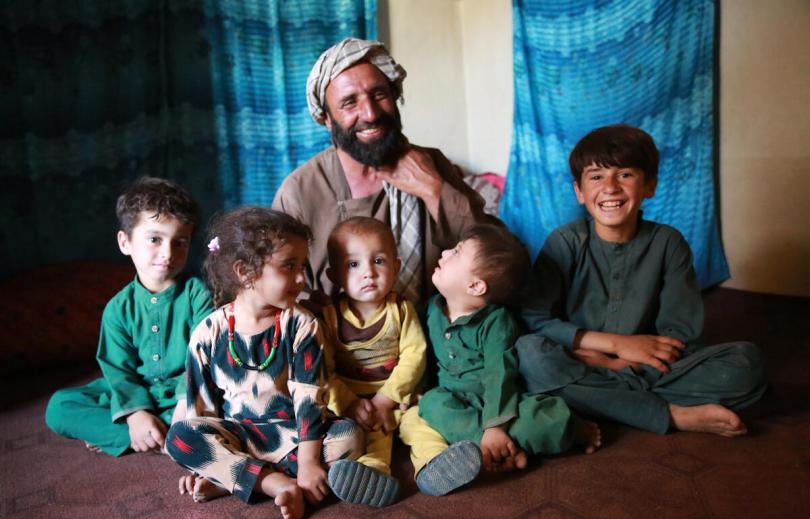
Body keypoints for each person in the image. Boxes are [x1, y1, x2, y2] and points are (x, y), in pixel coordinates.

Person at [517, 124, 767, 437]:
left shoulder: (669, 243)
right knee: (529, 354)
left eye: (625, 174)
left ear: (649, 185)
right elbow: (534, 319)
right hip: (576, 355)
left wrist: (619, 366)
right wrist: (617, 347)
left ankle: (587, 396)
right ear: (579, 192)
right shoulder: (565, 242)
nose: (610, 187)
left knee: (747, 364)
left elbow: (680, 335)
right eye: (596, 176)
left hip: (630, 366)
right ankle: (672, 416)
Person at [165, 208, 379, 519]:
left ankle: (235, 477)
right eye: (289, 266)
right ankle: (272, 483)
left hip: (291, 435)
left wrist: (308, 462)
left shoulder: (302, 325)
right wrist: (202, 462)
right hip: (239, 435)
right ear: (244, 272)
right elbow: (202, 409)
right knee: (180, 437)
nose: (300, 279)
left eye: (302, 266)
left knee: (349, 436)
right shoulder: (209, 333)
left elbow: (310, 400)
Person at [272, 37, 491, 307]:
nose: (370, 113)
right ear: (326, 119)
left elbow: (492, 260)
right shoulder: (299, 192)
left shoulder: (431, 163)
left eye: (379, 95)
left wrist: (434, 190)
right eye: (349, 102)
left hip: (437, 337)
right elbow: (280, 292)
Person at [407, 224, 601, 495]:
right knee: (429, 404)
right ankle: (495, 450)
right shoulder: (431, 310)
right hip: (455, 398)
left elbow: (500, 374)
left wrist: (496, 426)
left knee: (543, 420)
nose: (445, 252)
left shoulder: (496, 321)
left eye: (456, 252)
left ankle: (571, 431)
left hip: (501, 401)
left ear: (475, 286)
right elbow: (419, 351)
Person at [45, 176, 213, 456]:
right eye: (154, 239)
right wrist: (135, 414)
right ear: (125, 242)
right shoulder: (117, 308)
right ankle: (153, 435)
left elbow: (204, 356)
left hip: (188, 396)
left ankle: (154, 436)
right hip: (140, 392)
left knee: (234, 401)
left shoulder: (198, 294)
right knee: (59, 407)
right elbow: (118, 371)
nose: (167, 253)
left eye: (180, 242)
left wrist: (186, 402)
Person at [322, 217, 429, 506]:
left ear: (396, 266)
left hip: (397, 398)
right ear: (334, 277)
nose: (368, 272)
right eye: (353, 264)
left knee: (421, 424)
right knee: (371, 439)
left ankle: (432, 462)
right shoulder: (330, 318)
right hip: (357, 406)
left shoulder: (400, 309)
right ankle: (372, 472)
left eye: (379, 261)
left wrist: (387, 398)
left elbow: (415, 354)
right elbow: (325, 371)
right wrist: (351, 404)